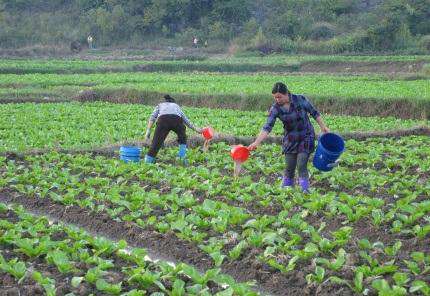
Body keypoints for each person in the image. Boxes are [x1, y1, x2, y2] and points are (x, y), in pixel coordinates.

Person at [248, 82, 330, 193]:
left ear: (286, 93)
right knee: (289, 167)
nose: (277, 99)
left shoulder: (300, 99)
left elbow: (314, 113)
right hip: (290, 139)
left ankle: (305, 190)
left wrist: (323, 127)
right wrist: (256, 142)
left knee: (301, 164)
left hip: (305, 136)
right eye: (275, 97)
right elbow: (267, 127)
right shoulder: (275, 108)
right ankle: (287, 192)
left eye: (279, 97)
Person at [144, 95, 202, 164]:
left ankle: (148, 161)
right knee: (183, 137)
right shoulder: (176, 106)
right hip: (176, 120)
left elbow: (152, 117)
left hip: (163, 120)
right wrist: (196, 129)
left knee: (156, 142)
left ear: (166, 101)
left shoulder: (160, 105)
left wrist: (148, 131)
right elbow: (186, 121)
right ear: (173, 102)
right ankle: (182, 158)